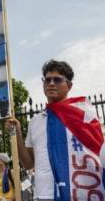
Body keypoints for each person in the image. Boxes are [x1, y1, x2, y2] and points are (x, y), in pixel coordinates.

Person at [6, 59, 105, 200]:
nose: (51, 83)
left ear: (69, 85)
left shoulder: (83, 116)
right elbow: (28, 163)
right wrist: (16, 133)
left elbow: (98, 153)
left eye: (57, 80)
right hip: (43, 195)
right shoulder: (35, 122)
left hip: (77, 194)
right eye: (47, 80)